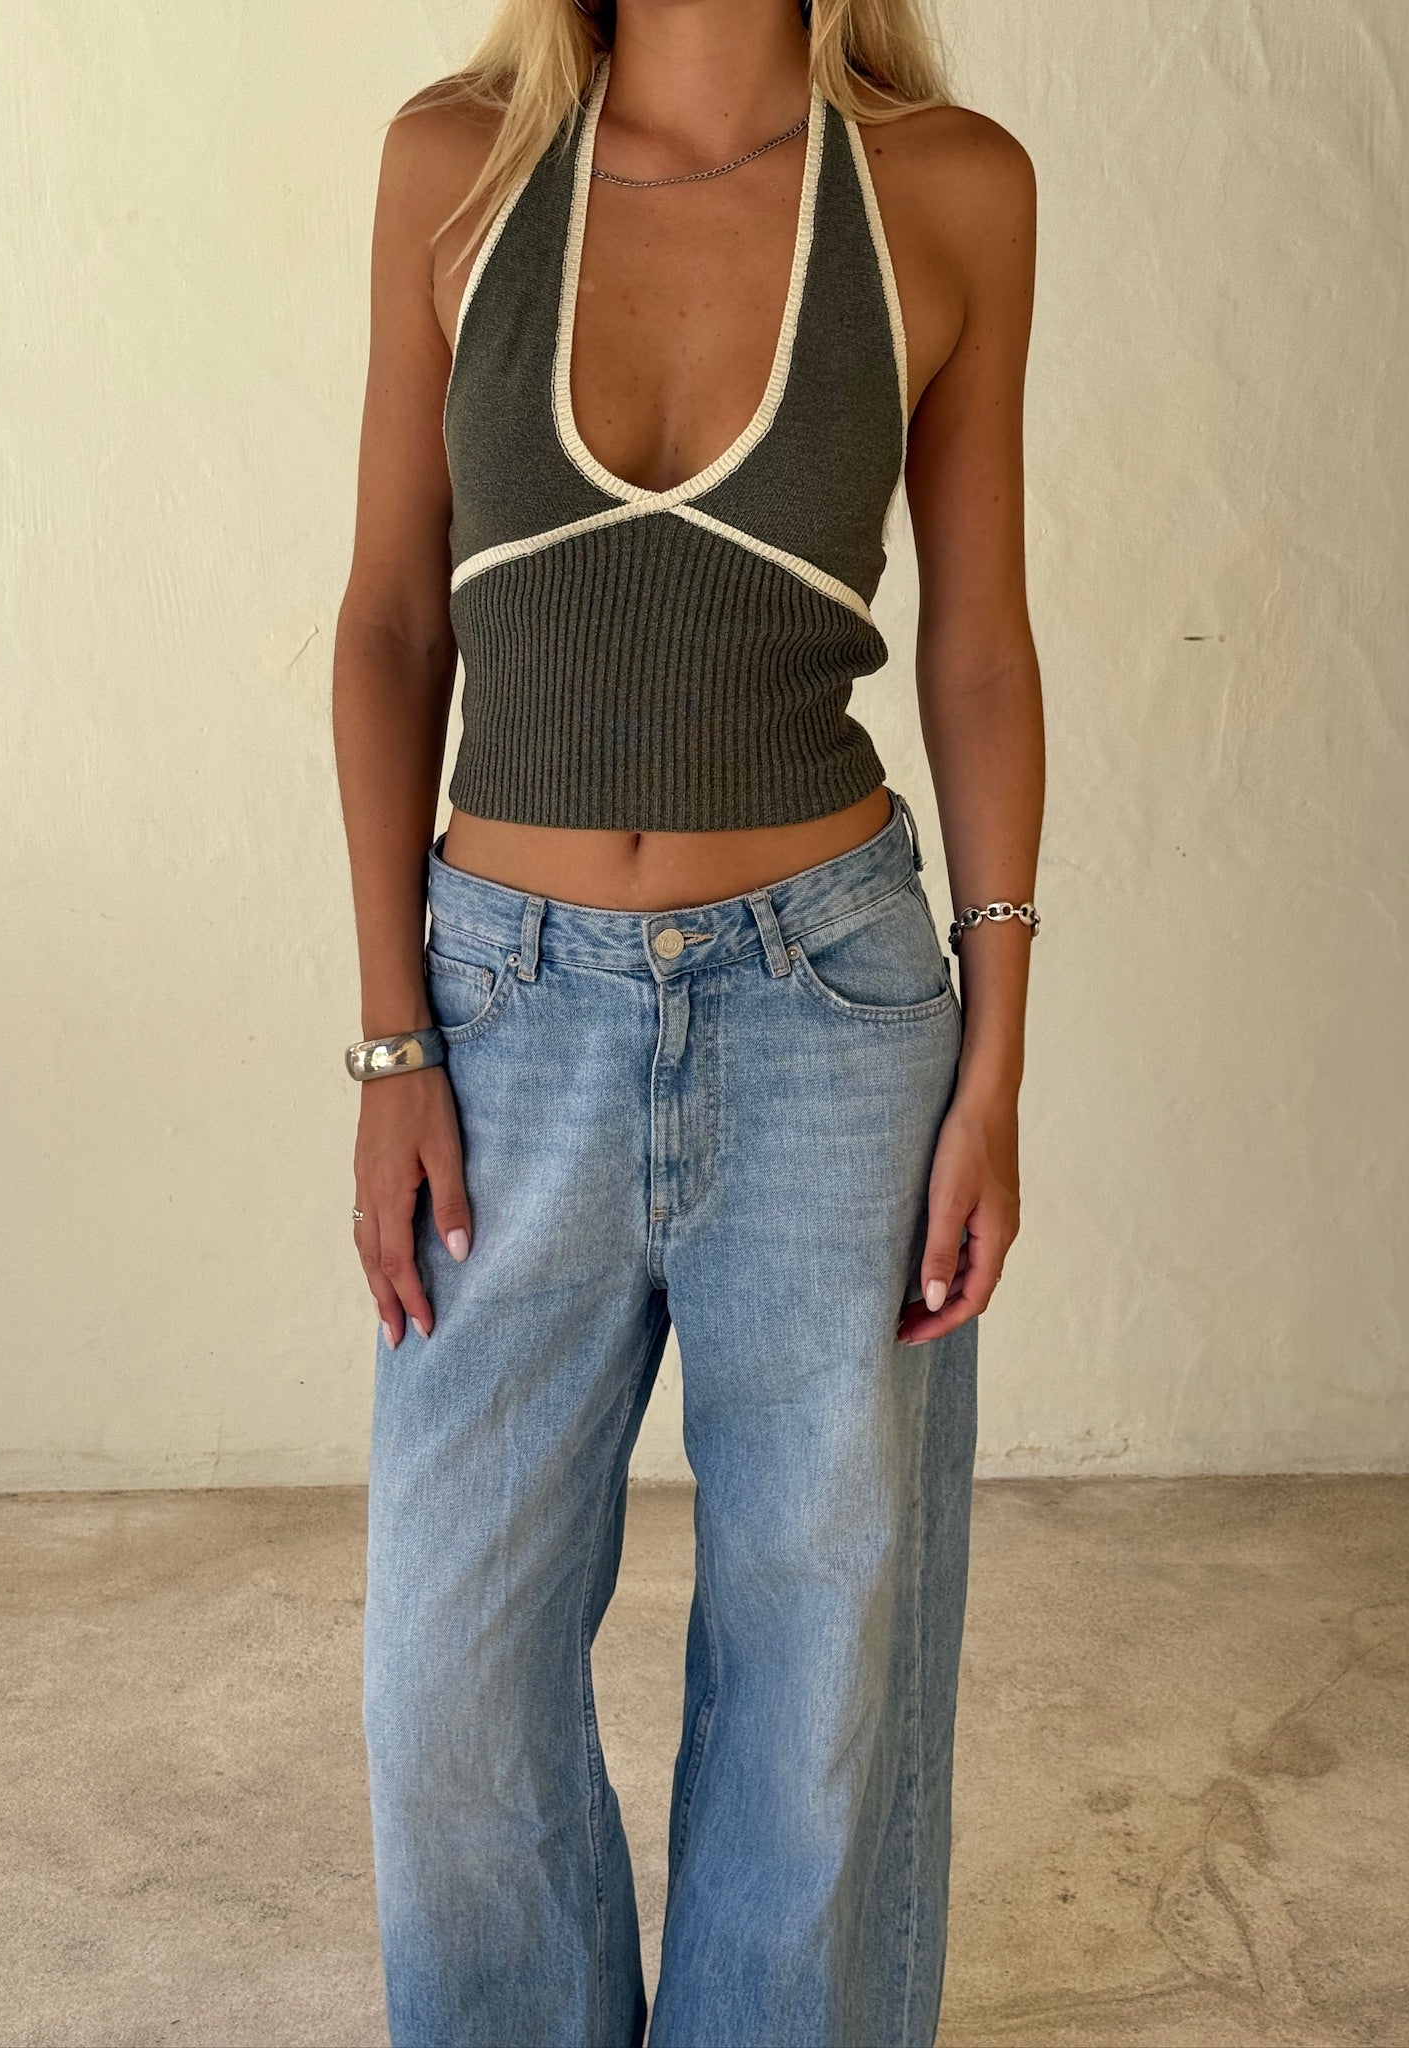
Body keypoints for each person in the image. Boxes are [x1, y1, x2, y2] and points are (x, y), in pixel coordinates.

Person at [331, 0, 1042, 2038]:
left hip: (834, 1012)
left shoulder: (948, 191)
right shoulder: (457, 165)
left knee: (821, 1682)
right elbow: (393, 621)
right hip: (504, 1007)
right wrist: (393, 1039)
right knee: (446, 1680)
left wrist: (997, 1060)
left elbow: (980, 652)